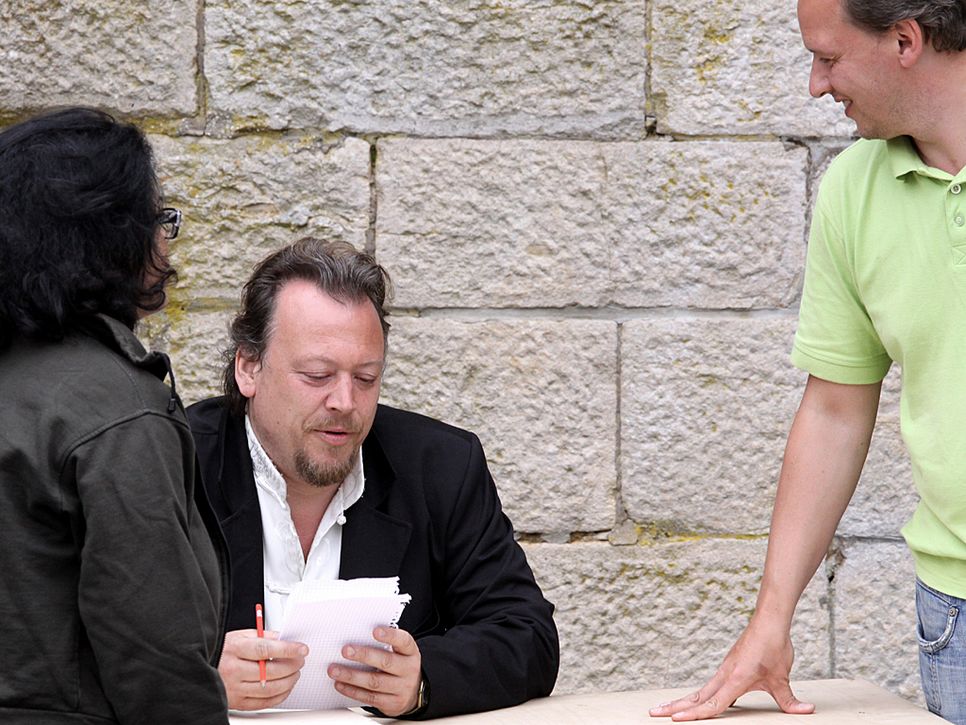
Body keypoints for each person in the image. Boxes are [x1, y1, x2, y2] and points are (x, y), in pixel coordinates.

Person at [650, 0, 966, 722]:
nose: (816, 85)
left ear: (905, 41)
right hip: (957, 612)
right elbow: (834, 410)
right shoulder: (854, 190)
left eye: (827, 57)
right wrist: (772, 618)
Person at [188, 237, 559, 719]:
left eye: (366, 378)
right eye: (317, 375)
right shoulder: (177, 464)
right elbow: (101, 641)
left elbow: (526, 634)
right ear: (248, 368)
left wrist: (423, 678)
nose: (345, 402)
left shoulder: (439, 466)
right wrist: (194, 674)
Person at [0, 108, 229, 723]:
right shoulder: (116, 411)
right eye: (157, 220)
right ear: (110, 237)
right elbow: (157, 659)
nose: (165, 241)